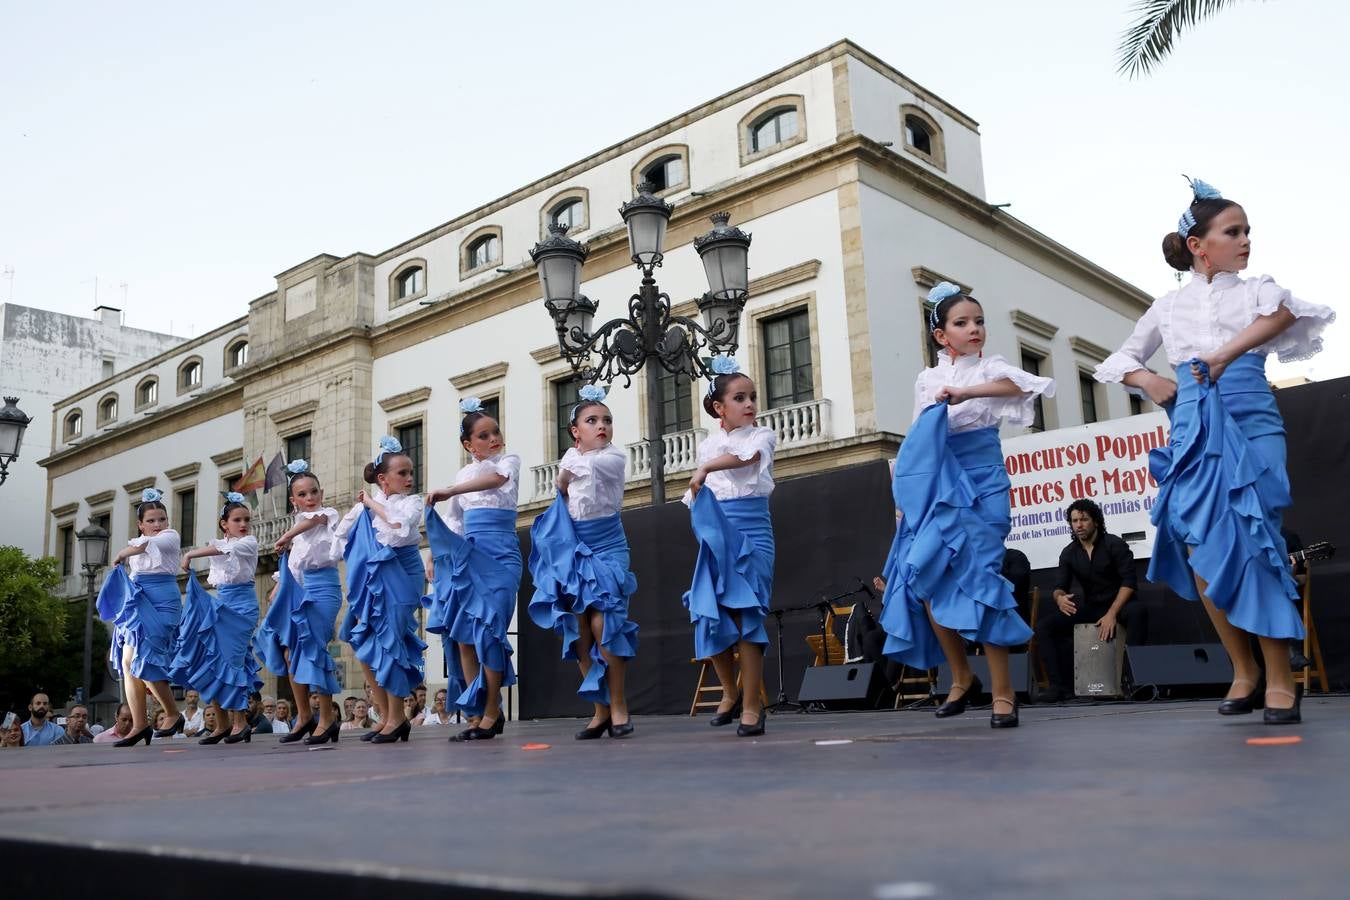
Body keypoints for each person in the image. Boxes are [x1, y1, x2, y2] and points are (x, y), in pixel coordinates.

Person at [1095, 178, 1335, 724]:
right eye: (1233, 231)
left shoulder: (1257, 290)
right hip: (1194, 429)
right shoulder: (1167, 306)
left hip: (1251, 419)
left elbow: (1288, 315)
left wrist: (1224, 354)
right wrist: (1149, 382)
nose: (1246, 240)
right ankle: (1242, 669)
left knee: (1258, 539)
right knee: (1203, 547)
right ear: (1199, 245)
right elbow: (1119, 360)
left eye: (1247, 230)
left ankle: (1278, 675)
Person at [878, 283, 1054, 729]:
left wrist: (967, 394)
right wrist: (905, 499)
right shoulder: (927, 378)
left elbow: (1019, 384)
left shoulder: (992, 368)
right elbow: (919, 437)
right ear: (942, 335)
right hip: (938, 485)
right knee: (929, 579)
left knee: (982, 580)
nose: (974, 329)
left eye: (978, 321)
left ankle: (1003, 692)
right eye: (962, 323)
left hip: (983, 481)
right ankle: (960, 676)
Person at [529, 384, 639, 740]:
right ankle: (600, 708)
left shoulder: (613, 458)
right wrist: (564, 475)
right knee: (577, 630)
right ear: (576, 430)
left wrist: (565, 472)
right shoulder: (571, 458)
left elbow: (572, 473)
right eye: (592, 420)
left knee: (605, 624)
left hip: (607, 545)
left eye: (606, 419)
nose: (602, 425)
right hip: (574, 547)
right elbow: (563, 480)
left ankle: (619, 705)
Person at [681, 356, 777, 738]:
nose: (750, 404)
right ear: (719, 407)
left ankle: (752, 707)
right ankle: (730, 691)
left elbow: (746, 458)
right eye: (740, 398)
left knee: (747, 618)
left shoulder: (762, 436)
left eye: (752, 396)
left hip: (753, 531)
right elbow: (696, 498)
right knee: (709, 613)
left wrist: (705, 471)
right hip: (716, 533)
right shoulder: (707, 445)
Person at [425, 399, 521, 742]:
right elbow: (453, 523)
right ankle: (476, 712)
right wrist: (434, 557)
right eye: (483, 435)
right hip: (470, 556)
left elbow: (496, 480)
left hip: (501, 555)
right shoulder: (462, 475)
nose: (493, 438)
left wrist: (450, 489)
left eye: (495, 431)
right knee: (465, 637)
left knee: (491, 632)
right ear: (468, 444)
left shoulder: (509, 461)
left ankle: (493, 710)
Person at [338, 436, 426, 744]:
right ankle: (387, 714)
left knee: (390, 644)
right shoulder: (365, 509)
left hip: (403, 574)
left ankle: (398, 717)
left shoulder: (412, 502)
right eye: (402, 472)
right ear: (382, 478)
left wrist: (371, 502)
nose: (409, 477)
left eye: (410, 471)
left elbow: (399, 525)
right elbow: (340, 535)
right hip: (375, 578)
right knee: (363, 643)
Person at [259, 459, 345, 745]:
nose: (310, 498)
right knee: (287, 651)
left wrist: (286, 536)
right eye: (303, 494)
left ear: (320, 494)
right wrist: (279, 588)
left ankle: (327, 720)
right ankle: (305, 715)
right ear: (293, 500)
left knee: (313, 649)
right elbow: (294, 568)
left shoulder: (327, 514)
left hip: (324, 590)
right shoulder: (298, 529)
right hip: (302, 589)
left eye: (314, 492)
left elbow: (313, 521)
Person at [97, 488, 185, 746]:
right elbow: (136, 568)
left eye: (162, 519)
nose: (158, 524)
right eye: (151, 521)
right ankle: (139, 725)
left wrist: (123, 553)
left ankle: (172, 712)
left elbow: (149, 544)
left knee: (144, 660)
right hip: (139, 601)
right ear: (140, 524)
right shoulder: (137, 546)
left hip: (163, 601)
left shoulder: (170, 536)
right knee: (127, 663)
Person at [1035, 499, 1147, 702]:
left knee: (1138, 612)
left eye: (1084, 519)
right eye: (1074, 520)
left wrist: (1112, 614)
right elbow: (1059, 586)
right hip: (1093, 607)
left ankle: (1133, 684)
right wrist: (1059, 598)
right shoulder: (1069, 552)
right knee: (1045, 627)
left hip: (1120, 605)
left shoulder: (1114, 544)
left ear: (1095, 521)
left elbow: (1129, 582)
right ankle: (1060, 687)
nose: (1078, 525)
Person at [173, 495, 263, 744]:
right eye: (237, 520)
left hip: (243, 607)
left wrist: (191, 554)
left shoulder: (249, 542)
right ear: (225, 524)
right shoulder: (220, 544)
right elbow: (220, 553)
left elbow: (226, 549)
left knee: (231, 663)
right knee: (212, 662)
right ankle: (222, 724)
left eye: (246, 519)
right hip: (222, 605)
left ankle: (240, 723)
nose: (243, 524)